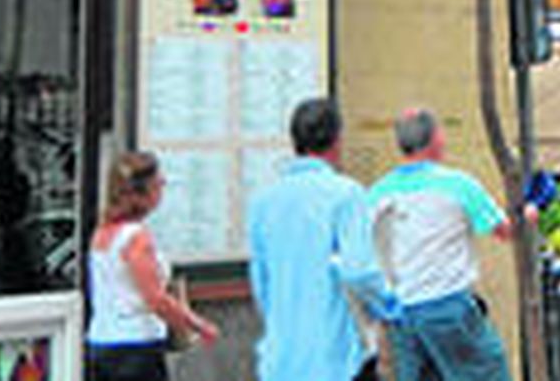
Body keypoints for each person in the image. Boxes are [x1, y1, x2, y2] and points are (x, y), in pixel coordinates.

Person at [369, 107, 523, 381]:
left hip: (402, 313)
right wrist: (529, 214)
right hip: (448, 306)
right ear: (435, 139)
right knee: (487, 372)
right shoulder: (458, 185)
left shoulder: (378, 192)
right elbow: (505, 231)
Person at [248, 98, 388, 381]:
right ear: (337, 140)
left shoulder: (263, 202)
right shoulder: (346, 194)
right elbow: (358, 270)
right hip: (337, 357)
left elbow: (260, 281)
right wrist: (386, 305)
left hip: (281, 359)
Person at [87, 151, 218, 381]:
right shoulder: (136, 237)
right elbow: (155, 298)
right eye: (158, 184)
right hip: (135, 345)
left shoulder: (102, 233)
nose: (163, 188)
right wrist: (197, 324)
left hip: (102, 340)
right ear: (141, 192)